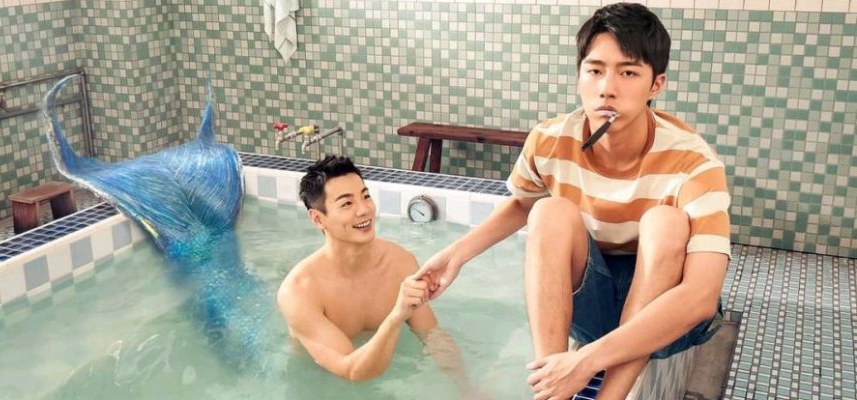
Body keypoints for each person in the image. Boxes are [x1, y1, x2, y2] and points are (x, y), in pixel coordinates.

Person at [416, 3, 731, 399]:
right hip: (594, 306)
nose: (607, 88)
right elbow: (522, 204)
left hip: (667, 323)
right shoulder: (550, 140)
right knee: (549, 210)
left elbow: (701, 298)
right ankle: (552, 388)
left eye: (628, 73)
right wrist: (456, 254)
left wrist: (586, 361)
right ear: (579, 75)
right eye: (595, 70)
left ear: (656, 85)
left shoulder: (694, 162)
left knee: (665, 222)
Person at [277, 155, 470, 386]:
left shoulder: (400, 263)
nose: (364, 210)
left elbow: (433, 336)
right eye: (347, 204)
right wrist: (396, 317)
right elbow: (351, 371)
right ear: (318, 219)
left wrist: (466, 388)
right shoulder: (299, 291)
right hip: (316, 382)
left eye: (365, 196)